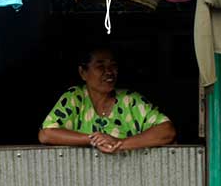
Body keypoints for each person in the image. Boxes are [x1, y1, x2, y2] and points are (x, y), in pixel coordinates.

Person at [38, 48, 176, 153]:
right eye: (100, 66)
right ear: (83, 73)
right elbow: (46, 134)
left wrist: (120, 143)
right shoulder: (75, 97)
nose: (109, 71)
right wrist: (94, 140)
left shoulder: (130, 100)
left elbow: (167, 131)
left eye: (113, 66)